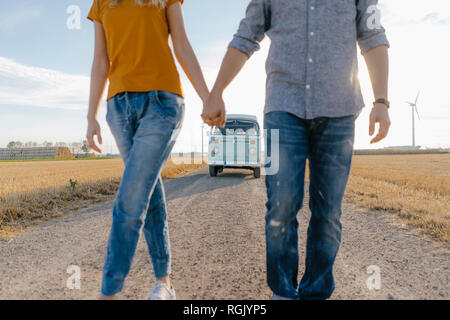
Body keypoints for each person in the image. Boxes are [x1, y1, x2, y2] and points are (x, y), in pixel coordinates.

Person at [202, 0, 391, 300]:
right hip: (283, 107)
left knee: (328, 211)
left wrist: (381, 101)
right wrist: (216, 92)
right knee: (281, 204)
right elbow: (246, 35)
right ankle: (284, 293)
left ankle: (316, 292)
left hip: (339, 110)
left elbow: (372, 34)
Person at [86, 0, 209, 300]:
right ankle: (164, 283)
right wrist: (90, 116)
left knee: (131, 195)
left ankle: (109, 292)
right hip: (119, 108)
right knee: (147, 191)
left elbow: (181, 43)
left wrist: (208, 96)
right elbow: (101, 61)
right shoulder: (102, 2)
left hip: (162, 103)